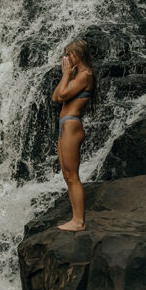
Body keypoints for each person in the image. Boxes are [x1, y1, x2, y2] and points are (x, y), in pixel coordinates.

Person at [52, 39, 97, 232]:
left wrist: (65, 75)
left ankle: (79, 221)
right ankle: (75, 218)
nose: (66, 58)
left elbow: (62, 96)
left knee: (73, 176)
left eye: (69, 54)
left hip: (72, 126)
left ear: (78, 54)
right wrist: (67, 75)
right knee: (67, 176)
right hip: (65, 125)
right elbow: (56, 97)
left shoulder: (85, 75)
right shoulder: (75, 76)